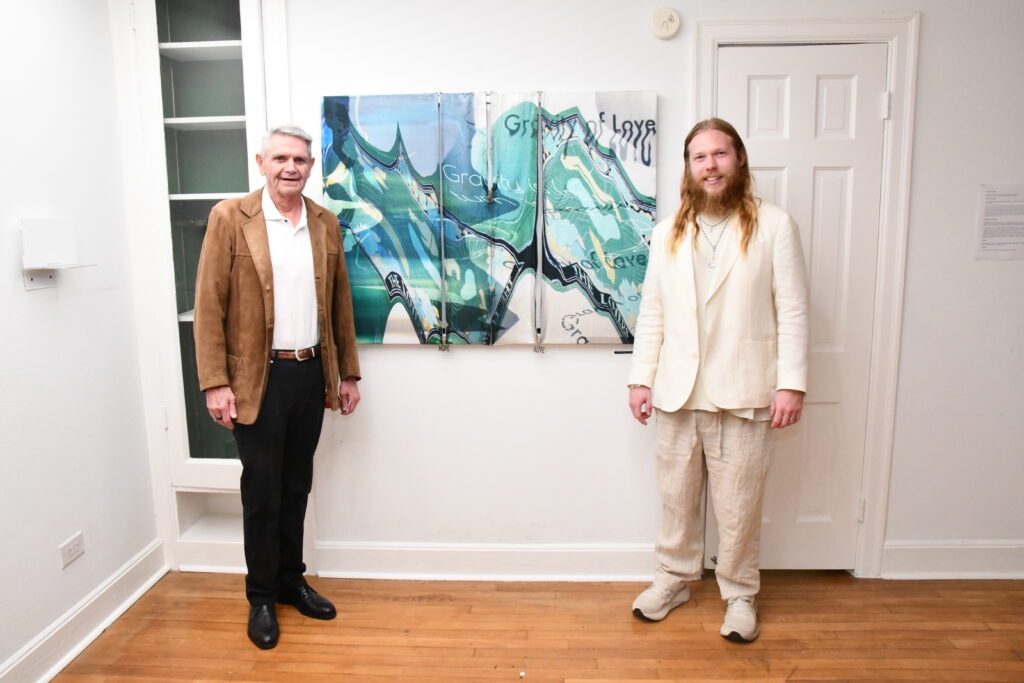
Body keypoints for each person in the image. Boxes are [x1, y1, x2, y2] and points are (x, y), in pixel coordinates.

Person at [627, 117, 808, 643]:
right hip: (677, 391)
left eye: (719, 154)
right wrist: (641, 378)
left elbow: (793, 310)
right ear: (688, 168)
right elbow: (653, 313)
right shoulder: (667, 232)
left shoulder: (775, 225)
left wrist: (791, 383)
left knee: (739, 504)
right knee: (677, 500)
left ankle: (740, 593)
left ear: (739, 160)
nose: (709, 165)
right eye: (699, 157)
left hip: (746, 390)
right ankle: (674, 579)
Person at [193, 125, 361, 650]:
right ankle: (261, 596)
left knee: (296, 488)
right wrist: (215, 384)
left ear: (312, 167)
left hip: (308, 376)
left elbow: (340, 305)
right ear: (261, 161)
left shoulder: (324, 223)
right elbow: (209, 306)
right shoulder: (231, 218)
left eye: (302, 160)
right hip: (254, 381)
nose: (292, 167)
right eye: (281, 158)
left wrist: (347, 372)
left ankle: (291, 580)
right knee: (262, 494)